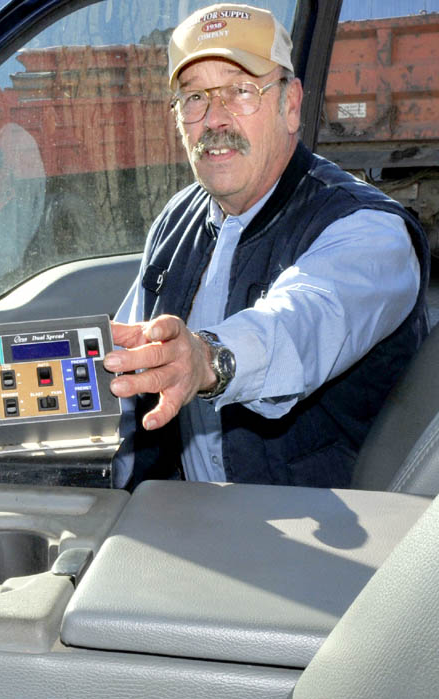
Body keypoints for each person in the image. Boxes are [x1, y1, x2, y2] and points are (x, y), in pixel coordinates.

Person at [103, 2, 431, 490]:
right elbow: (128, 347)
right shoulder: (177, 219)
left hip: (324, 538)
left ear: (291, 104)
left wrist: (208, 359)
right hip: (191, 513)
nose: (214, 119)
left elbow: (302, 324)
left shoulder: (367, 231)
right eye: (194, 97)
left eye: (240, 91)